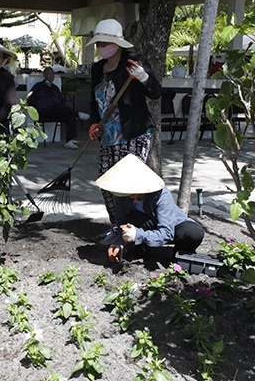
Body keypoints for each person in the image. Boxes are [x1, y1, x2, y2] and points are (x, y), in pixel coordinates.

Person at [86, 19, 162, 223]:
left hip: (132, 135)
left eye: (105, 43)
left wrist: (144, 77)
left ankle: (134, 229)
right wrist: (94, 123)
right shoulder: (97, 69)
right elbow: (95, 101)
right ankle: (117, 226)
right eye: (98, 44)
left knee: (127, 185)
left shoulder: (133, 62)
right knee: (107, 184)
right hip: (108, 137)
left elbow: (155, 92)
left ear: (118, 44)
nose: (101, 47)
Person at [95, 154, 205, 265]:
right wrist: (119, 244)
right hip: (145, 226)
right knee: (133, 219)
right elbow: (121, 223)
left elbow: (167, 232)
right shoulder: (121, 196)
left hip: (169, 226)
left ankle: (180, 257)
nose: (129, 197)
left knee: (193, 232)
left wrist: (138, 235)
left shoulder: (161, 195)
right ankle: (142, 253)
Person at [28, 66, 90, 149]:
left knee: (69, 116)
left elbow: (62, 102)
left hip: (56, 111)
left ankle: (69, 141)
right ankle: (77, 113)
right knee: (57, 107)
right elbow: (30, 100)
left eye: (53, 74)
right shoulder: (38, 87)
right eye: (49, 74)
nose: (51, 76)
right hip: (43, 112)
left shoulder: (55, 88)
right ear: (44, 75)